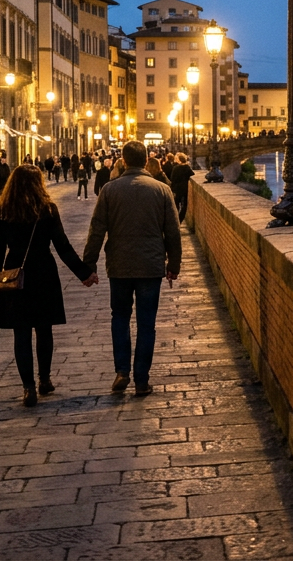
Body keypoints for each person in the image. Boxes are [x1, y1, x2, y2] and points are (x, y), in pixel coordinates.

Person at [0, 165, 97, 406]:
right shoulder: (47, 209)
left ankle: (28, 388)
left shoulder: (4, 210)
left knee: (21, 332)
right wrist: (84, 273)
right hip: (43, 273)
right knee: (44, 329)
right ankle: (44, 379)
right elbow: (63, 246)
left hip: (15, 274)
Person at [82, 141, 181, 396]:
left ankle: (122, 371)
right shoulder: (161, 190)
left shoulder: (109, 190)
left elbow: (97, 230)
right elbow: (172, 231)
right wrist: (174, 265)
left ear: (123, 161)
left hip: (120, 266)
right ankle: (141, 379)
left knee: (120, 317)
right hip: (150, 266)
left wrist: (88, 266)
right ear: (146, 159)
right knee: (147, 323)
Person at [169, 153, 194, 222]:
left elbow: (172, 179)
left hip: (177, 189)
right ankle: (180, 219)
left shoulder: (176, 168)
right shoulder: (187, 168)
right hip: (185, 188)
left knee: (176, 204)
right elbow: (192, 175)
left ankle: (176, 219)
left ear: (179, 160)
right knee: (184, 205)